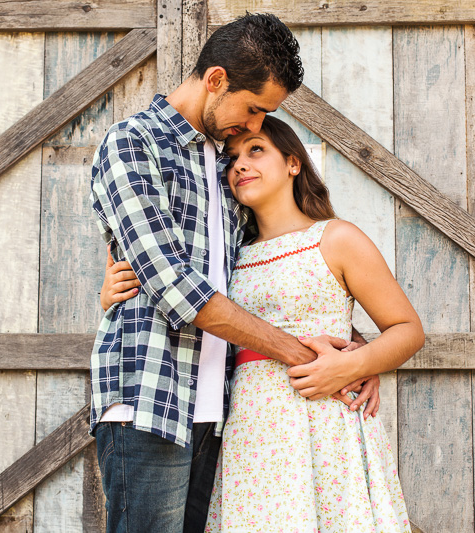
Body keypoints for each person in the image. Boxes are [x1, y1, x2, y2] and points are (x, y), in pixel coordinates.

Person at [89, 13, 380, 533]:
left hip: (222, 410)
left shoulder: (228, 166)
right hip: (151, 398)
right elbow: (176, 287)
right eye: (254, 109)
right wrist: (305, 355)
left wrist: (349, 349)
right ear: (217, 79)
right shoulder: (132, 144)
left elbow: (264, 272)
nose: (254, 125)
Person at [102, 115, 424, 531]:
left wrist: (357, 364)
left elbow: (406, 329)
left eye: (256, 150)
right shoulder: (231, 254)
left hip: (324, 424)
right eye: (232, 158)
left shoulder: (336, 238)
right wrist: (111, 291)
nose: (239, 164)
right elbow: (196, 301)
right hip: (249, 431)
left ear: (294, 163)